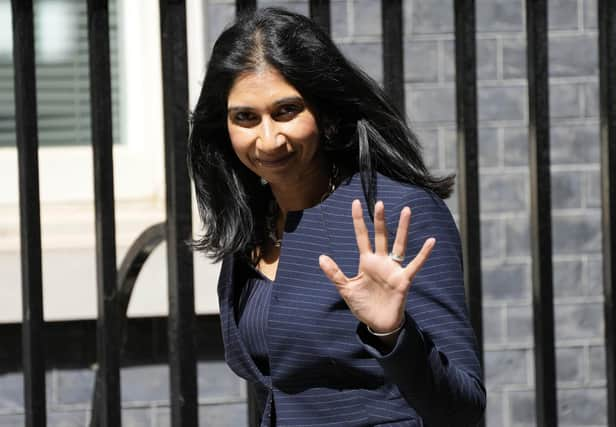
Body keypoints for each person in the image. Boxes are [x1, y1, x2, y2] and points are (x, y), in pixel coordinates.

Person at [188, 7, 485, 427]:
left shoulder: (396, 213)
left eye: (286, 110)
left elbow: (464, 406)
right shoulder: (254, 223)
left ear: (325, 115)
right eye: (246, 117)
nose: (268, 139)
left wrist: (393, 333)